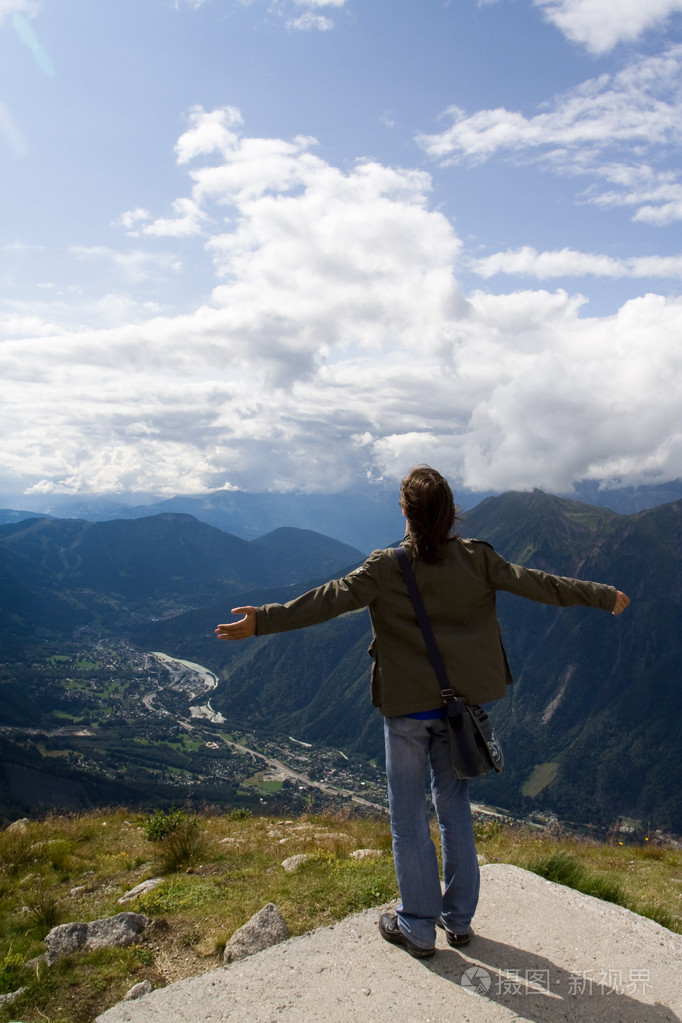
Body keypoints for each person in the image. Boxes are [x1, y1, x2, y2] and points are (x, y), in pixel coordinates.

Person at [215, 465, 630, 960]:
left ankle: (417, 925)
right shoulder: (478, 559)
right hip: (460, 711)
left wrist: (264, 620)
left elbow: (329, 600)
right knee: (454, 811)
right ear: (451, 512)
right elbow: (541, 584)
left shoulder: (385, 566)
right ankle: (459, 920)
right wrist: (602, 595)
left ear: (405, 512)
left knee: (409, 817)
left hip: (407, 711)